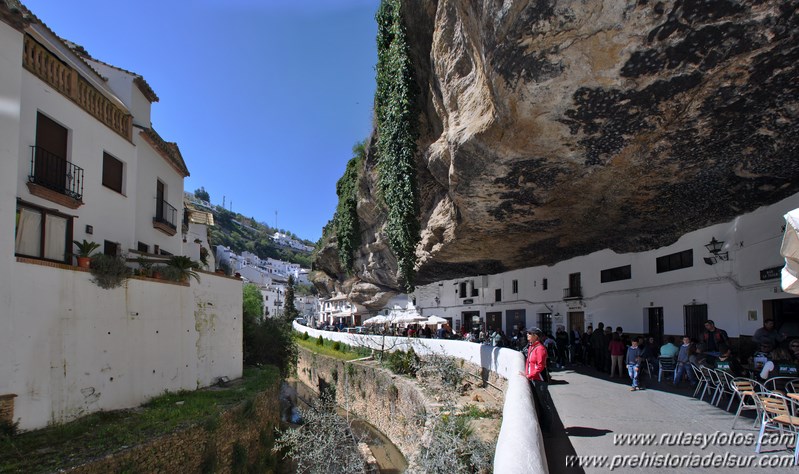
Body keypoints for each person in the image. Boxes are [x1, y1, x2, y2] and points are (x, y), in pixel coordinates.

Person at [520, 328, 554, 433]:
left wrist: (529, 375)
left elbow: (540, 366)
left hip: (540, 380)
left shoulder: (540, 349)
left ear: (536, 336)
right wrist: (526, 373)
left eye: (530, 333)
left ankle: (548, 428)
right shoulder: (532, 347)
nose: (527, 335)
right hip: (533, 378)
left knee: (544, 404)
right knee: (539, 403)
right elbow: (528, 362)